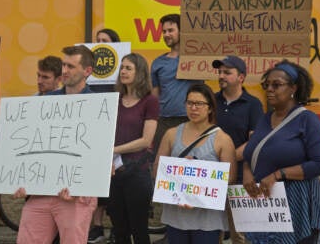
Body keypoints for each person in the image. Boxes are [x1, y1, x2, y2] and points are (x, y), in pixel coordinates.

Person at [15, 45, 97, 244]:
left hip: (76, 195)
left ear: (87, 71)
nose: (65, 70)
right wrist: (21, 178)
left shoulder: (99, 104)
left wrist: (82, 185)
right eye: (63, 65)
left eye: (71, 66)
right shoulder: (45, 101)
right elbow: (30, 145)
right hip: (41, 192)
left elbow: (102, 152)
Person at [243, 59, 320, 243]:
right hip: (266, 205)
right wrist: (247, 172)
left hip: (297, 204)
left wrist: (278, 175)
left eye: (277, 85)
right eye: (266, 84)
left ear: (293, 88)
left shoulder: (307, 120)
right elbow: (252, 153)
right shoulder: (265, 119)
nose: (269, 89)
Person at [153, 83, 237, 244]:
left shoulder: (222, 139)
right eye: (190, 103)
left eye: (199, 104)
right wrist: (178, 169)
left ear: (210, 108)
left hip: (207, 218)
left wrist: (197, 195)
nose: (193, 108)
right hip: (176, 214)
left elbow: (230, 178)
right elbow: (157, 169)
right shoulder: (171, 134)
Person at [212, 55, 264, 243]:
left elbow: (255, 141)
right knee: (211, 231)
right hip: (211, 177)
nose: (221, 76)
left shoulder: (253, 104)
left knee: (240, 235)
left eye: (227, 72)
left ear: (241, 77)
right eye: (220, 72)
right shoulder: (211, 101)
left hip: (240, 178)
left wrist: (227, 158)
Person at [108, 53, 159, 244]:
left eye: (128, 68)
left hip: (137, 172)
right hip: (114, 172)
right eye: (122, 67)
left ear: (140, 72)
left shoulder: (150, 101)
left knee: (139, 230)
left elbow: (146, 140)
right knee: (119, 230)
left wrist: (114, 149)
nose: (123, 71)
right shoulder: (115, 99)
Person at [151, 13, 202, 160]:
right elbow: (154, 97)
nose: (166, 34)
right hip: (164, 122)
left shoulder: (198, 59)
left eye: (171, 30)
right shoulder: (158, 63)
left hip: (191, 120)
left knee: (191, 164)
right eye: (164, 31)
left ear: (182, 31)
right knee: (162, 165)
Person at [88, 28, 121, 244]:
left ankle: (118, 227)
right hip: (93, 131)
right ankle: (97, 227)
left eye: (105, 41)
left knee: (117, 183)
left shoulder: (121, 73)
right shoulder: (88, 73)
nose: (100, 43)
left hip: (119, 132)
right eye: (97, 41)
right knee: (96, 181)